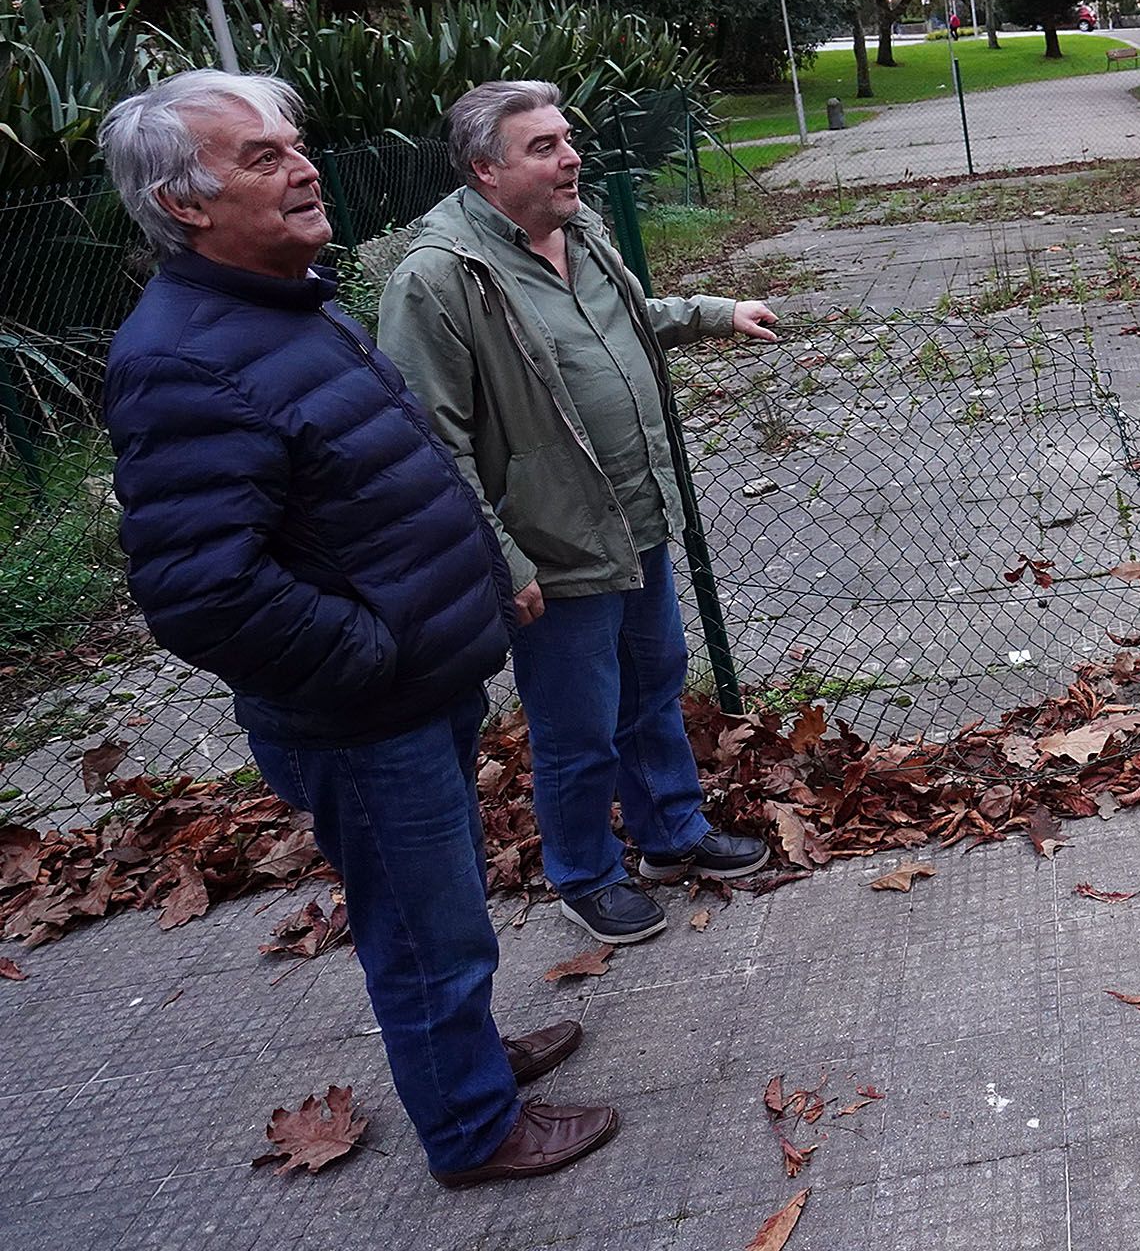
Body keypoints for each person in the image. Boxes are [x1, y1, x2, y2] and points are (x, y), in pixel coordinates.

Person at [98, 71, 616, 1187]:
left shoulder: (286, 300)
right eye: (261, 157)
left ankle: (464, 1056)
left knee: (448, 909)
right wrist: (372, 655)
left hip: (417, 683)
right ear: (185, 204)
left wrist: (462, 596)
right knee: (426, 931)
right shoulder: (184, 355)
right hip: (362, 709)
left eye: (295, 144)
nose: (302, 166)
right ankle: (473, 1127)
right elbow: (200, 590)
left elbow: (386, 468)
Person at [380, 81, 778, 946]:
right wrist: (502, 564)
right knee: (577, 727)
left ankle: (671, 835)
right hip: (551, 549)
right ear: (486, 169)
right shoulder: (440, 278)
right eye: (544, 147)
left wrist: (715, 313)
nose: (570, 157)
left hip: (636, 519)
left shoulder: (580, 230)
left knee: (655, 689)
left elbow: (628, 321)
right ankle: (584, 872)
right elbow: (426, 443)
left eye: (567, 139)